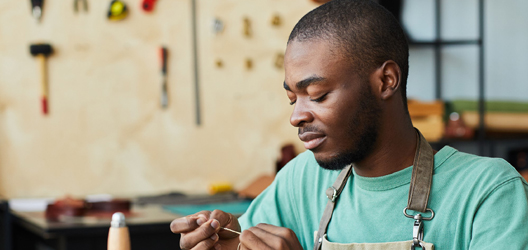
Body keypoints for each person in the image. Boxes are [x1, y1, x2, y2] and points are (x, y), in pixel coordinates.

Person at [170, 0, 528, 249]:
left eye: (319, 94)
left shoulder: (489, 192)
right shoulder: (302, 180)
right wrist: (221, 237)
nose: (296, 116)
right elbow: (243, 234)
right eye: (293, 98)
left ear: (386, 81)